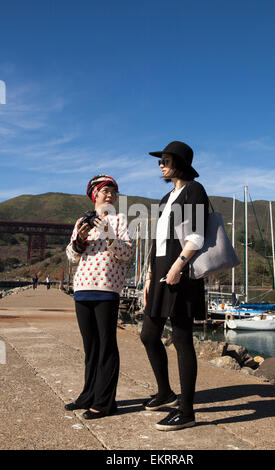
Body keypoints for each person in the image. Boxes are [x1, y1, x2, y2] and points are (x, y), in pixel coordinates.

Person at [141, 141, 209, 431]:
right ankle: (165, 391)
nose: (161, 165)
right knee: (148, 334)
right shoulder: (165, 198)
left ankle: (187, 410)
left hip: (180, 273)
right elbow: (157, 241)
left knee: (182, 340)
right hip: (158, 273)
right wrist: (147, 275)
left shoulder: (194, 190)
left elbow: (196, 235)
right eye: (160, 161)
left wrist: (178, 267)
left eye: (165, 159)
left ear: (179, 161)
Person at [65, 174, 133, 420]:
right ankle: (88, 395)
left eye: (113, 192)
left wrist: (107, 230)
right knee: (90, 346)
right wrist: (80, 239)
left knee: (106, 346)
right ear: (94, 194)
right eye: (105, 191)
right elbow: (72, 257)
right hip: (82, 287)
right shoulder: (81, 220)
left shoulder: (119, 219)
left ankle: (104, 402)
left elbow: (125, 252)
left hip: (107, 288)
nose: (110, 195)